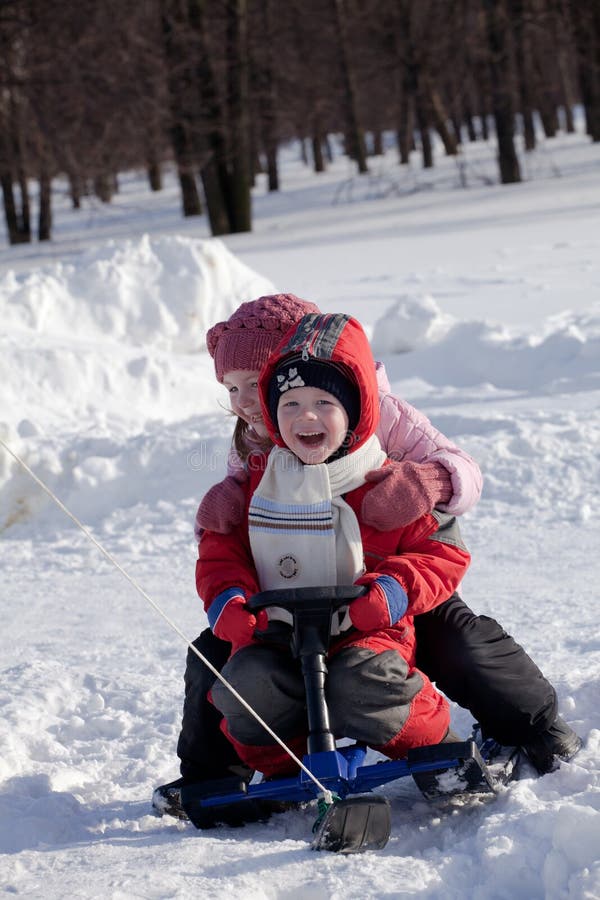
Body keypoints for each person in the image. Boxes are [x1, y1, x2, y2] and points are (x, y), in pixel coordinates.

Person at [153, 295, 580, 818]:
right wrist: (227, 497)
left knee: (457, 641)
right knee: (217, 656)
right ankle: (215, 775)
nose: (243, 401)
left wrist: (429, 480)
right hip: (295, 589)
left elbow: (463, 471)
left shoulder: (380, 411)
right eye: (232, 389)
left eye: (253, 380)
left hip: (388, 575)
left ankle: (533, 727)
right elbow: (247, 522)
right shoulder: (255, 435)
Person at [197, 311, 470, 778]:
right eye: (290, 405)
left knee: (366, 682)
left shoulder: (382, 475)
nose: (306, 416)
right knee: (244, 683)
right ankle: (280, 772)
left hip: (367, 626)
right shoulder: (257, 476)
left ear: (356, 409)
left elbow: (441, 550)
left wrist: (393, 589)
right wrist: (229, 599)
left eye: (323, 403)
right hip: (275, 627)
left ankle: (439, 753)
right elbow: (221, 554)